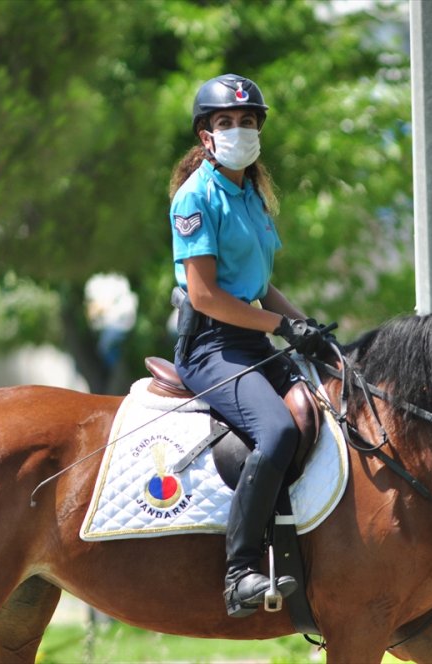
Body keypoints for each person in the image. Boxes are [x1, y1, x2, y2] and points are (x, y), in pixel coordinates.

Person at [168, 73, 330, 618]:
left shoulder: (253, 194)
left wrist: (307, 326)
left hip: (256, 338)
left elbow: (261, 286)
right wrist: (279, 328)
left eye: (247, 121)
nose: (238, 130)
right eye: (225, 122)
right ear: (206, 136)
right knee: (278, 429)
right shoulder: (195, 198)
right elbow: (207, 296)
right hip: (212, 346)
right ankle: (239, 571)